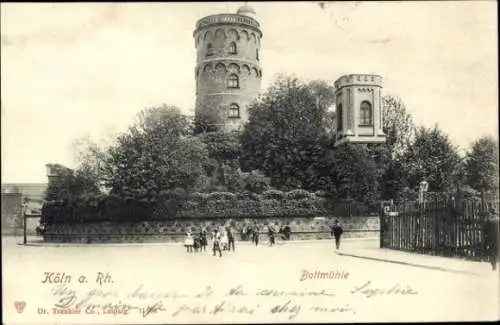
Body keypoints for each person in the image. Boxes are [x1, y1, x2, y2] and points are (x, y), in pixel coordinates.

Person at [483, 205, 499, 271]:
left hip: (492, 239)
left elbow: (484, 230)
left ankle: (494, 266)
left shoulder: (489, 220)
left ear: (490, 213)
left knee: (492, 253)